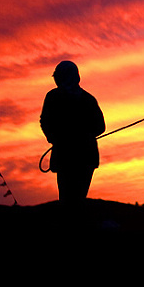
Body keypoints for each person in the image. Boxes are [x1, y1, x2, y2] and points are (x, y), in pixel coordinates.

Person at [40, 61, 105, 211]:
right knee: (77, 200)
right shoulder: (88, 99)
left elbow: (45, 122)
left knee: (67, 200)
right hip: (85, 157)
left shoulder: (53, 97)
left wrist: (55, 138)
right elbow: (100, 127)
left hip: (67, 157)